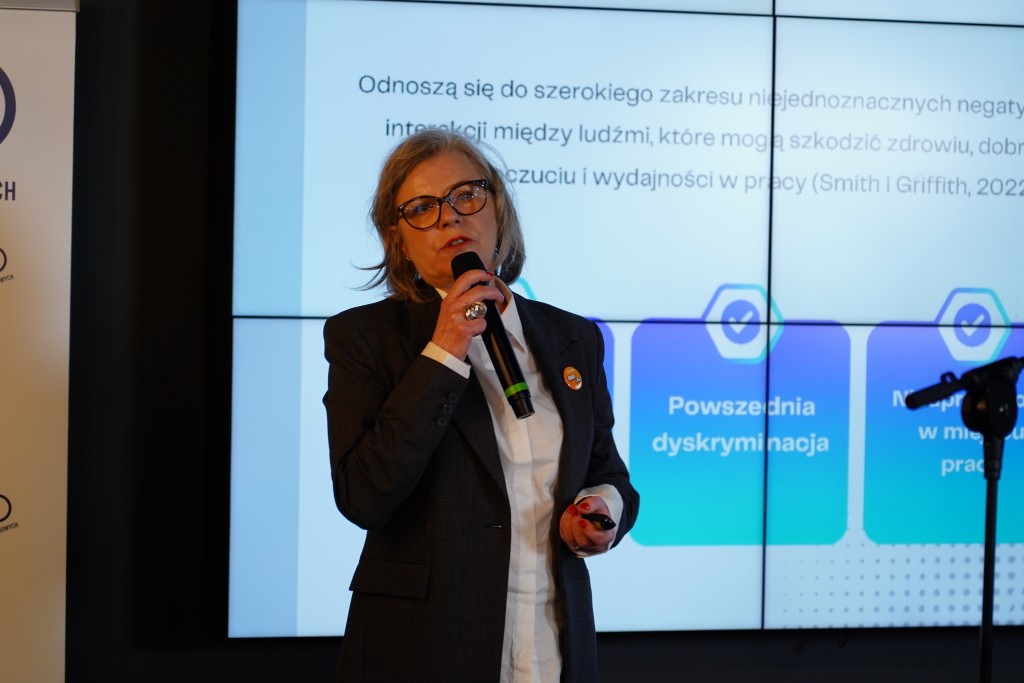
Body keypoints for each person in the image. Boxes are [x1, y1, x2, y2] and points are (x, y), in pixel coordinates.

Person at [322, 128, 639, 682]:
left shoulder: (573, 338)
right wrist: (444, 350)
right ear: (398, 238)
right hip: (425, 649)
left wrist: (600, 511)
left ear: (498, 209)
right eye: (423, 208)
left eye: (467, 195)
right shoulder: (366, 338)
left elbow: (609, 474)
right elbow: (364, 496)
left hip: (552, 646)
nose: (450, 217)